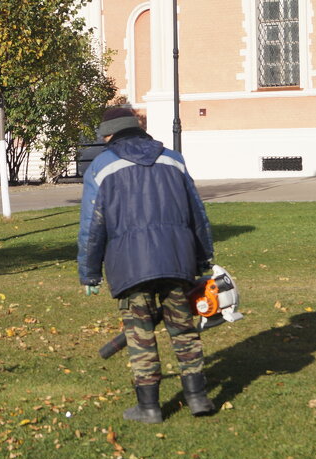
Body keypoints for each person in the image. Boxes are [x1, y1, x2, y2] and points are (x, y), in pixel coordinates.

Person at [77, 111, 215, 424]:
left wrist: (89, 272)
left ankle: (149, 407)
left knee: (140, 336)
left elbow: (91, 226)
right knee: (184, 331)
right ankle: (197, 398)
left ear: (110, 135)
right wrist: (204, 257)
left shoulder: (101, 166)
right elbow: (197, 212)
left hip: (129, 265)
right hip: (177, 260)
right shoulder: (173, 160)